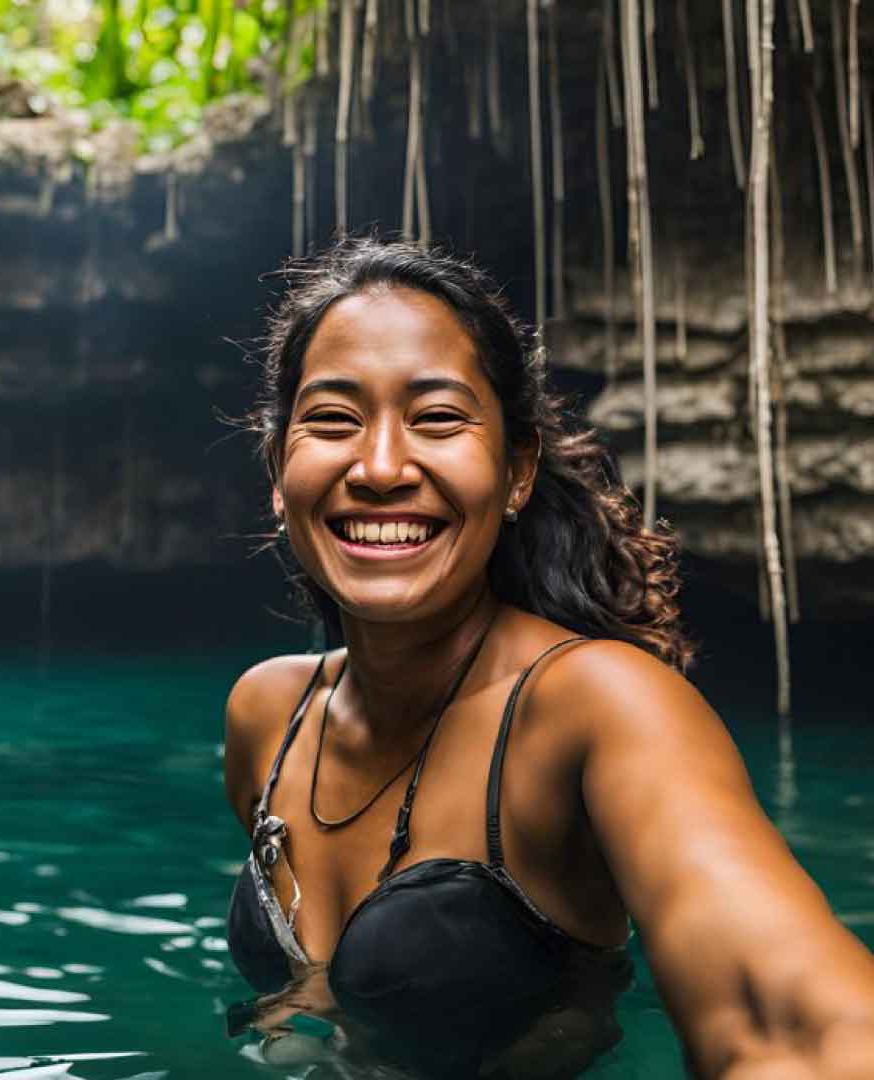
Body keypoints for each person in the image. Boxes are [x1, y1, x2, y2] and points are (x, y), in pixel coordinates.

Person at [222, 237, 874, 1079]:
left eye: (438, 418)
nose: (380, 467)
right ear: (279, 471)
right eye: (334, 421)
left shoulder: (595, 705)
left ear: (518, 468)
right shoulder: (266, 714)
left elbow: (785, 1022)